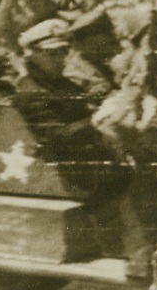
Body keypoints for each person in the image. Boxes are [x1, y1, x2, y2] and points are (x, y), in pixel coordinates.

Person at [13, 18, 128, 198]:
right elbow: (54, 136)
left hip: (92, 159)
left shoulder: (59, 82)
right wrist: (94, 123)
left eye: (63, 52)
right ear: (31, 54)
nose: (60, 60)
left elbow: (83, 107)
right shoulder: (30, 92)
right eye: (51, 54)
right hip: (70, 172)